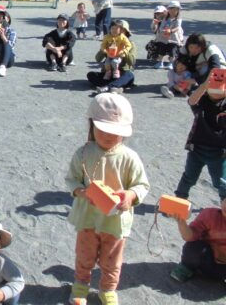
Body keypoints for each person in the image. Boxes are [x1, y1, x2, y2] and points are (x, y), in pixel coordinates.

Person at [66, 93, 150, 305]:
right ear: (92, 125)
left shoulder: (129, 157)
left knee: (111, 261)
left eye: (116, 133)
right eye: (103, 130)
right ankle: (80, 286)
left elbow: (142, 185)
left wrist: (130, 195)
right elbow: (72, 179)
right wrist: (81, 192)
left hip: (115, 221)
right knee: (84, 256)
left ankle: (107, 289)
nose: (109, 136)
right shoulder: (83, 153)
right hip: (88, 219)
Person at [174, 75, 226, 202]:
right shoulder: (202, 101)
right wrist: (204, 85)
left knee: (221, 183)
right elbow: (191, 101)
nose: (215, 92)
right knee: (188, 177)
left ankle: (224, 206)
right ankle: (180, 200)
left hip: (219, 153)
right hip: (197, 149)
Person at [170, 197, 226, 283]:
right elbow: (190, 236)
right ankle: (187, 268)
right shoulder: (210, 215)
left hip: (222, 271)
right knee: (193, 246)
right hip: (205, 259)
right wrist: (181, 221)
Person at [88, 20, 136, 94]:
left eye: (121, 29)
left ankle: (108, 87)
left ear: (126, 32)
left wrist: (124, 52)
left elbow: (132, 62)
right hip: (109, 73)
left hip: (121, 73)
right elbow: (98, 59)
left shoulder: (130, 44)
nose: (116, 31)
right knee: (91, 75)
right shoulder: (109, 40)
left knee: (129, 75)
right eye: (113, 28)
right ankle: (116, 87)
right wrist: (105, 49)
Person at [154, 1, 184, 69]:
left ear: (178, 11)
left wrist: (171, 31)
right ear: (169, 10)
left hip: (173, 38)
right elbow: (162, 25)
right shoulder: (165, 18)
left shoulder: (178, 19)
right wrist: (162, 30)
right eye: (171, 9)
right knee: (162, 50)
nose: (173, 12)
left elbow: (177, 27)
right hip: (163, 37)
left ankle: (170, 63)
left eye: (176, 10)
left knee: (172, 51)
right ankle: (160, 62)